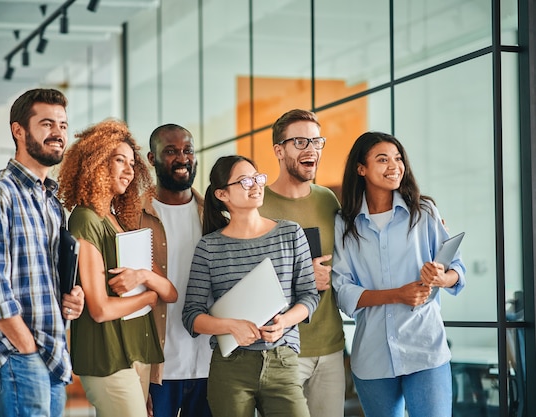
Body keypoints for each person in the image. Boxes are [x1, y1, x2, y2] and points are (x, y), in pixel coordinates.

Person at [331, 131, 466, 417]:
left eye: (398, 158)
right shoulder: (345, 224)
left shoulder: (424, 211)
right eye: (383, 159)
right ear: (361, 168)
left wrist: (441, 278)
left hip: (426, 349)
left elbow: (457, 270)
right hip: (373, 356)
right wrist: (398, 295)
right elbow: (343, 291)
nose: (394, 166)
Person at [0, 88, 86, 417]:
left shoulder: (53, 203)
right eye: (47, 123)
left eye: (63, 125)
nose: (58, 133)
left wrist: (72, 298)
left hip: (52, 355)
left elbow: (50, 279)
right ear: (18, 130)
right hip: (17, 356)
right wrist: (26, 348)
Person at [182, 155, 320, 417]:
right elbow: (191, 316)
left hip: (282, 360)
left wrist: (284, 322)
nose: (256, 185)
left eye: (258, 178)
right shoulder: (209, 248)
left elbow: (309, 296)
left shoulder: (290, 233)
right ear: (222, 194)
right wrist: (230, 327)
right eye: (245, 181)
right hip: (230, 368)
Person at [57, 118, 178, 417]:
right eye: (119, 161)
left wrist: (144, 277)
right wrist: (150, 296)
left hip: (137, 353)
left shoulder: (119, 221)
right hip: (108, 357)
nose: (129, 170)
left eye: (132, 163)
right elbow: (100, 310)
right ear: (96, 164)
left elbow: (170, 291)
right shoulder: (85, 220)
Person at [259, 109, 345, 417]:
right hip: (281, 351)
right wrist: (303, 276)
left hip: (331, 348)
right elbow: (241, 276)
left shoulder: (328, 200)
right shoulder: (258, 204)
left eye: (316, 141)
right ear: (279, 150)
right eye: (299, 142)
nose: (311, 149)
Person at [135, 124, 212, 417]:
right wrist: (138, 381)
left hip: (209, 364)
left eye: (188, 150)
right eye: (171, 151)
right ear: (151, 159)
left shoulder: (216, 215)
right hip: (158, 369)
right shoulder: (133, 216)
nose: (182, 158)